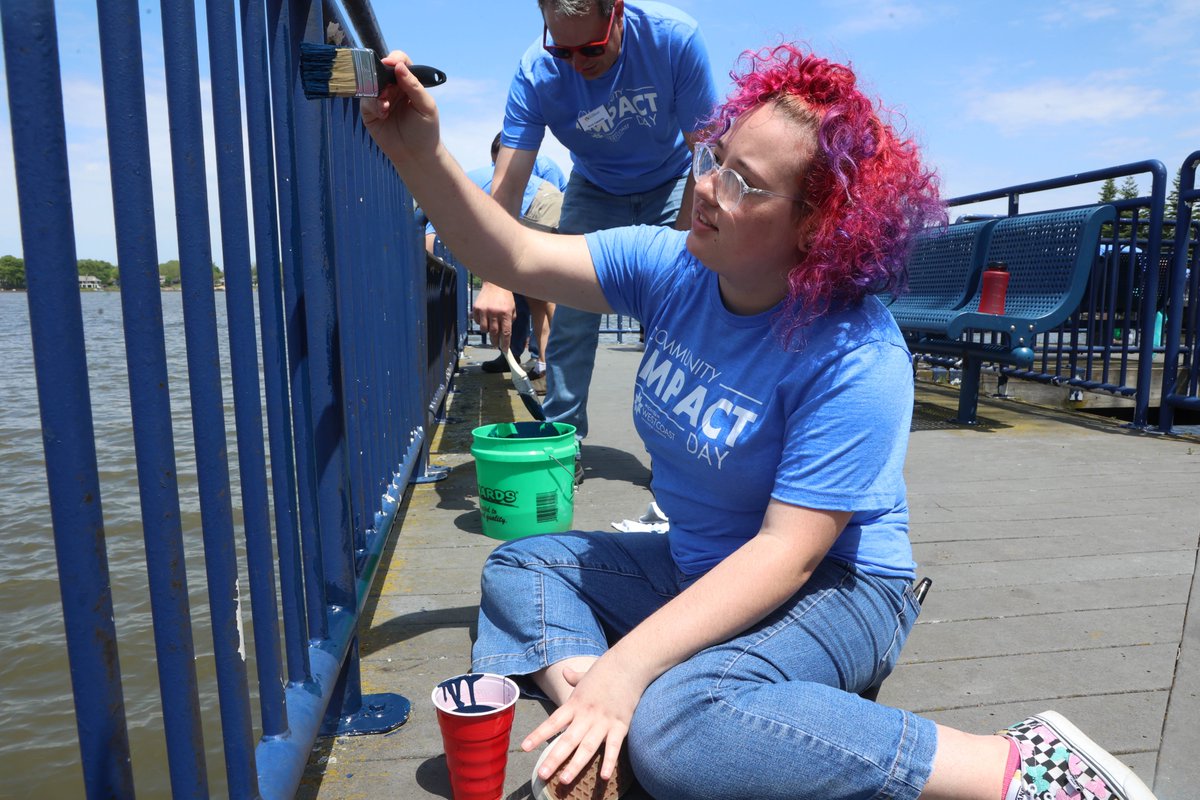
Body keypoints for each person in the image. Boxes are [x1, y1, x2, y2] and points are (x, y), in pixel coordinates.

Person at [363, 43, 1159, 800]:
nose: (706, 188)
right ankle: (598, 724)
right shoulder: (671, 265)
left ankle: (1010, 766)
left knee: (680, 727)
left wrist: (630, 670)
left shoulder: (854, 354)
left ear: (817, 227)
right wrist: (416, 151)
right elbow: (513, 254)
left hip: (839, 589)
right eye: (715, 159)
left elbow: (787, 552)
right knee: (521, 566)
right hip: (695, 562)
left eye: (744, 183)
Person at [473, 0, 719, 457]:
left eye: (591, 49)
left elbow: (706, 158)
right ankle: (562, 442)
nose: (578, 64)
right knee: (571, 315)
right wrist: (494, 279)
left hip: (674, 182)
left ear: (617, 14)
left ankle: (681, 455)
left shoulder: (674, 38)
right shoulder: (536, 70)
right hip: (595, 187)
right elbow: (508, 186)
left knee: (686, 309)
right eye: (563, 52)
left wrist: (684, 249)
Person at [425, 134, 565, 388]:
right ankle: (540, 364)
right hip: (541, 204)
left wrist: (431, 266)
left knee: (541, 294)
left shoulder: (445, 194)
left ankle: (552, 368)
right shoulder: (471, 181)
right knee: (534, 294)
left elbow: (432, 235)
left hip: (541, 206)